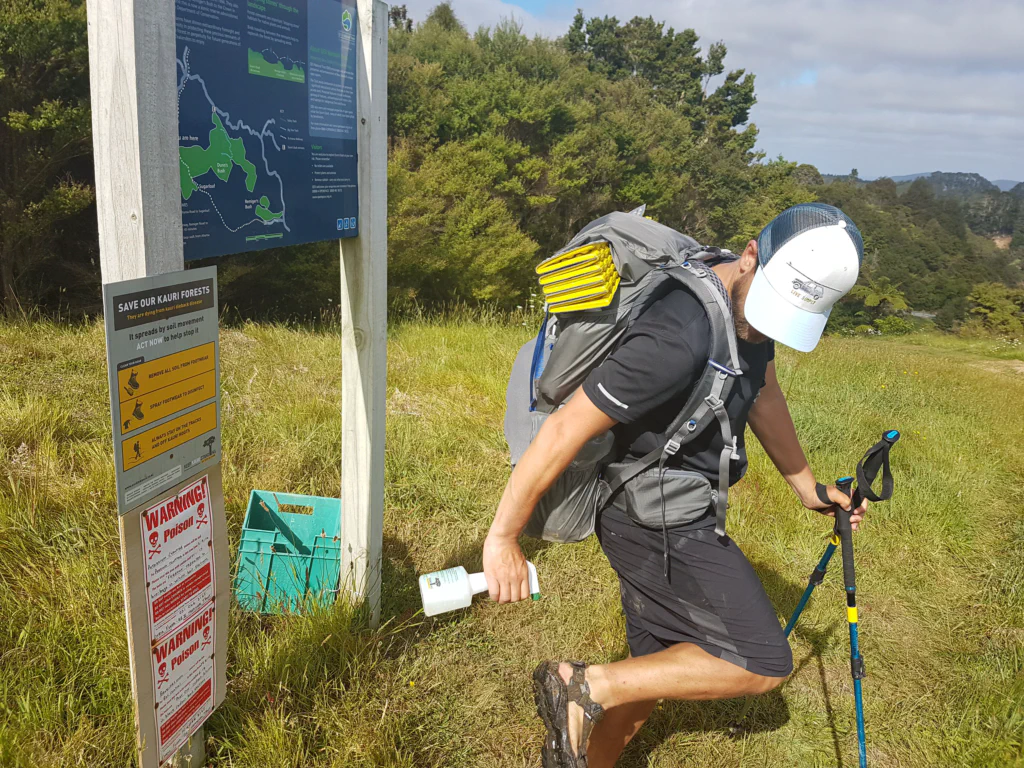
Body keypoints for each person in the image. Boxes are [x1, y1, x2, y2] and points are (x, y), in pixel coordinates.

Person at [483, 203, 868, 768]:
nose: (764, 328)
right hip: (654, 519)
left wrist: (807, 488)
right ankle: (581, 688)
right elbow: (565, 430)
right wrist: (502, 538)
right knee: (760, 662)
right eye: (767, 310)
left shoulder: (742, 301)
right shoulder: (676, 337)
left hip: (668, 505)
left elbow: (761, 388)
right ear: (751, 255)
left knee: (652, 673)